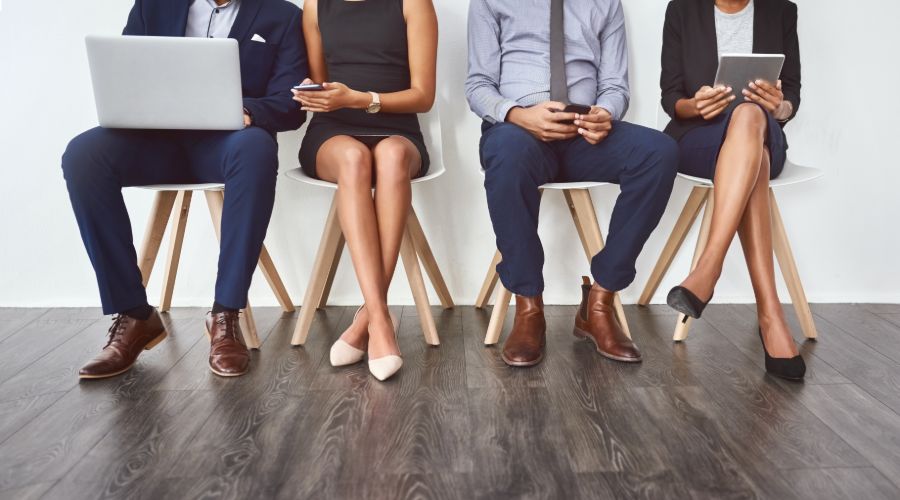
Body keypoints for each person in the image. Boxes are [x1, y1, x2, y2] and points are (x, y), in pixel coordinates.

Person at [62, 0, 308, 379]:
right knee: (83, 155)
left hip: (227, 145)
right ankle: (133, 314)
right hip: (155, 144)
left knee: (256, 147)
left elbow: (291, 105)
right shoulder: (152, 6)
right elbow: (125, 79)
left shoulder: (284, 15)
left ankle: (225, 315)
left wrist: (247, 112)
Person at [466, 0, 679, 368]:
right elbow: (478, 85)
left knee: (659, 152)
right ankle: (529, 306)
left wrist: (605, 113)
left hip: (585, 134)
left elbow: (615, 85)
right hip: (519, 131)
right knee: (507, 151)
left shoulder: (606, 3)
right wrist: (518, 115)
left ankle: (599, 301)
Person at [292, 0, 437, 381]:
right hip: (332, 133)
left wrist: (361, 99)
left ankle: (367, 322)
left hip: (399, 129)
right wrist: (313, 93)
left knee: (389, 156)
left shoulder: (413, 3)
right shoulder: (315, 6)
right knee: (355, 159)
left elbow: (423, 95)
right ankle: (380, 320)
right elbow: (320, 83)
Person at [660, 0, 805, 380]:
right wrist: (695, 105)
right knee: (752, 156)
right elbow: (670, 95)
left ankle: (707, 269)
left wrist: (780, 107)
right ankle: (770, 315)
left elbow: (792, 94)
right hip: (699, 137)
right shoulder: (681, 10)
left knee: (750, 114)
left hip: (762, 131)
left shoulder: (782, 11)